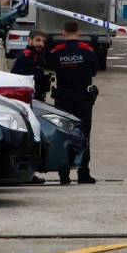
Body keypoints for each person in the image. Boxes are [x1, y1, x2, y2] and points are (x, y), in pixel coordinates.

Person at [49, 21, 98, 185]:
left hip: (63, 98)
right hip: (82, 98)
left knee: (63, 133)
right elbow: (94, 71)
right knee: (84, 134)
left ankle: (64, 174)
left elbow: (51, 68)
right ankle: (83, 172)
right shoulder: (87, 51)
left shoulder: (56, 52)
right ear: (78, 33)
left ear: (63, 33)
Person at [11, 30, 51, 102]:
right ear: (30, 40)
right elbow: (21, 78)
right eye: (38, 40)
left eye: (43, 41)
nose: (41, 44)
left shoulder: (37, 56)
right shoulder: (26, 56)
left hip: (36, 96)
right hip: (27, 98)